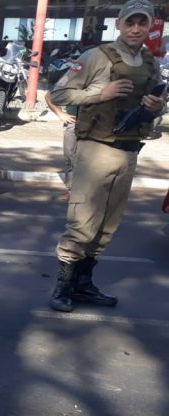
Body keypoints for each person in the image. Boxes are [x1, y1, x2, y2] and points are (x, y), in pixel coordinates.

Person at [48, 0, 165, 313]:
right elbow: (59, 93)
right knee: (82, 223)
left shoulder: (151, 62)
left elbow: (156, 104)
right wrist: (101, 93)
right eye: (130, 22)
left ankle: (83, 284)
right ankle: (63, 287)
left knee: (108, 226)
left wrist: (157, 108)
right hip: (95, 150)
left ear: (150, 25)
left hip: (129, 152)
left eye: (142, 23)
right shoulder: (95, 57)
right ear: (119, 24)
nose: (136, 29)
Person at [43, 90, 77, 201]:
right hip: (73, 123)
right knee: (70, 157)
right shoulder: (71, 80)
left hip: (95, 126)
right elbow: (48, 95)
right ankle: (72, 192)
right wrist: (60, 113)